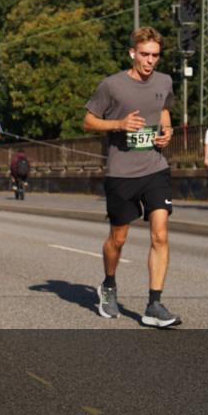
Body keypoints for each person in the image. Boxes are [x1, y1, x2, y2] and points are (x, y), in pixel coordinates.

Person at [83, 26, 177, 328]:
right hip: (122, 172)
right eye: (145, 55)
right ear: (132, 53)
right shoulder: (112, 86)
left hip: (155, 167)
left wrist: (167, 133)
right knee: (118, 239)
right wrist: (119, 124)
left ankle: (154, 304)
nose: (150, 61)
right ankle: (108, 284)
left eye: (155, 56)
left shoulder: (165, 81)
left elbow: (163, 110)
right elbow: (88, 121)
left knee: (160, 233)